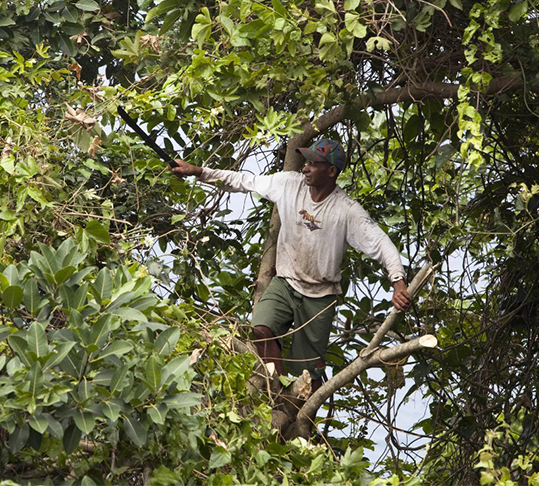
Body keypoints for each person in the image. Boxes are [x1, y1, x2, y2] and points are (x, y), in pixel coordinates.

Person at [170, 137, 411, 389]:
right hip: (285, 282)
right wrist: (198, 171)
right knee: (261, 328)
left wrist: (398, 282)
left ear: (331, 171)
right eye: (305, 162)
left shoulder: (346, 210)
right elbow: (244, 180)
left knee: (309, 370)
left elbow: (382, 244)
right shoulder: (289, 184)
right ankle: (279, 389)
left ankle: (305, 416)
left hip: (320, 296)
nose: (305, 168)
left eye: (313, 164)